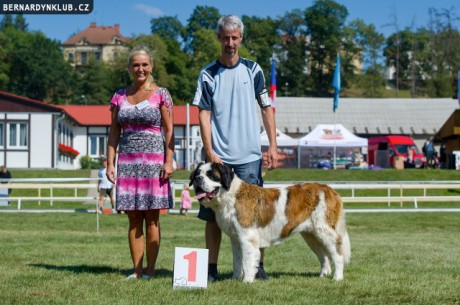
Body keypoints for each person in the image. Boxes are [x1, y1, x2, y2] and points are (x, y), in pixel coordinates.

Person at [192, 15, 278, 283]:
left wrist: (273, 145)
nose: (230, 42)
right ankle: (211, 268)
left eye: (234, 37)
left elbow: (266, 107)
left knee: (256, 216)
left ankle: (258, 266)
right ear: (219, 38)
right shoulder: (208, 73)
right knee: (211, 216)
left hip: (250, 158)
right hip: (217, 159)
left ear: (241, 38)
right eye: (225, 37)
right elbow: (203, 113)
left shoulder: (253, 70)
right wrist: (209, 149)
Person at [106, 45, 175, 280]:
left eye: (144, 64)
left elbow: (169, 130)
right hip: (127, 163)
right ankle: (136, 270)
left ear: (151, 66)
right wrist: (110, 163)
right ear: (129, 68)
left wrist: (169, 161)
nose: (140, 68)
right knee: (134, 219)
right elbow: (113, 133)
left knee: (152, 219)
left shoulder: (161, 94)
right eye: (135, 64)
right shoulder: (118, 96)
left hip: (154, 164)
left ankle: (150, 271)